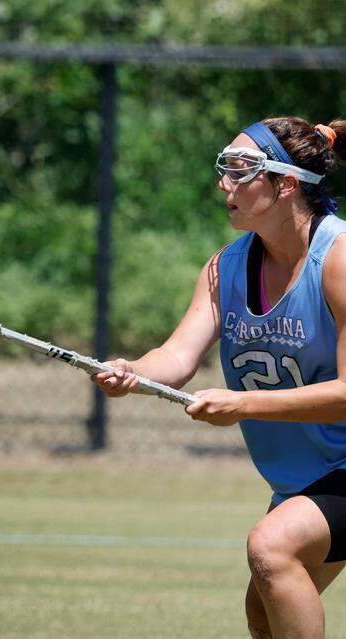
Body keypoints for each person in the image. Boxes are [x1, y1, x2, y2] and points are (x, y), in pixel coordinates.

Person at [92, 116, 345, 637]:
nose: (223, 185)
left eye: (240, 170)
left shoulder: (339, 261)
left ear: (286, 183)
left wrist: (242, 404)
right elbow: (177, 355)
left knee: (271, 547)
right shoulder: (225, 268)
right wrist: (132, 371)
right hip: (306, 479)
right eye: (224, 169)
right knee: (264, 614)